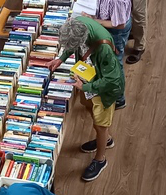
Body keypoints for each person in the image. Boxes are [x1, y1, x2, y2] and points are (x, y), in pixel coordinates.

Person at [47, 17, 125, 181]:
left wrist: (86, 87)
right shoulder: (77, 24)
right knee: (91, 110)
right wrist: (61, 59)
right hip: (87, 77)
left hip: (102, 89)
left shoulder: (103, 47)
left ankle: (100, 159)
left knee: (101, 124)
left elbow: (113, 80)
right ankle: (106, 140)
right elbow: (74, 45)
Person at [76, 0, 132, 109]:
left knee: (115, 63)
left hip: (116, 30)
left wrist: (95, 21)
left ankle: (119, 98)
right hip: (110, 19)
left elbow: (118, 24)